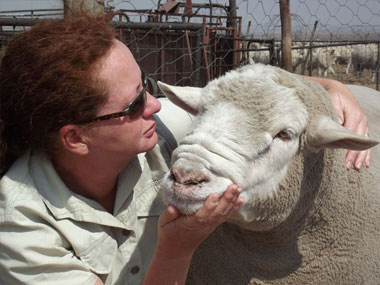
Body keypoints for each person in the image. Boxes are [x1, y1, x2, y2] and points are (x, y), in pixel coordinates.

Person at [0, 15, 370, 285]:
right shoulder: (20, 227)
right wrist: (176, 249)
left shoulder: (155, 134)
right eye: (133, 105)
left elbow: (246, 95)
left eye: (145, 85)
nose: (155, 105)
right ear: (76, 138)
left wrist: (329, 88)